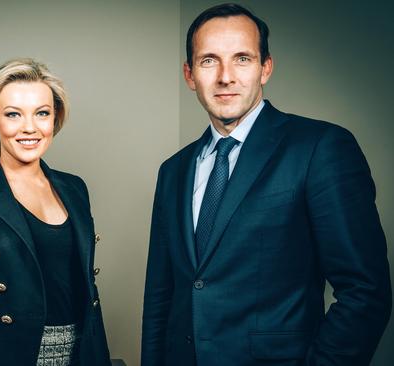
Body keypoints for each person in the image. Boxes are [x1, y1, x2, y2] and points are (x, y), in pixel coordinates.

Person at [141, 3, 391, 366]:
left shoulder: (320, 148)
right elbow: (160, 296)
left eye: (242, 58)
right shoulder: (173, 170)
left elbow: (365, 292)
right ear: (190, 74)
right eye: (209, 60)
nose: (226, 76)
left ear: (265, 68)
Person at [0, 58, 111, 366]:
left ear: (55, 119)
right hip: (3, 357)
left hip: (81, 355)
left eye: (42, 113)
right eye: (13, 114)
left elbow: (86, 295)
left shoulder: (75, 189)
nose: (30, 128)